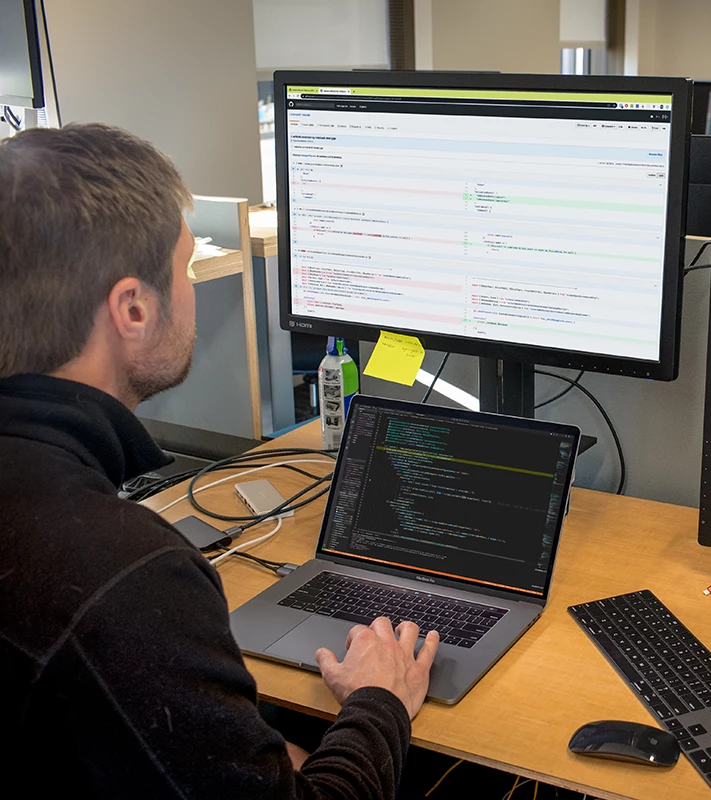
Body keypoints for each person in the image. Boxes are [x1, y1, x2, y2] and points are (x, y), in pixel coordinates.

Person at [0, 123, 439, 797]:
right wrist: (379, 701)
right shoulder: (122, 576)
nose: (193, 292)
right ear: (134, 308)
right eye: (186, 267)